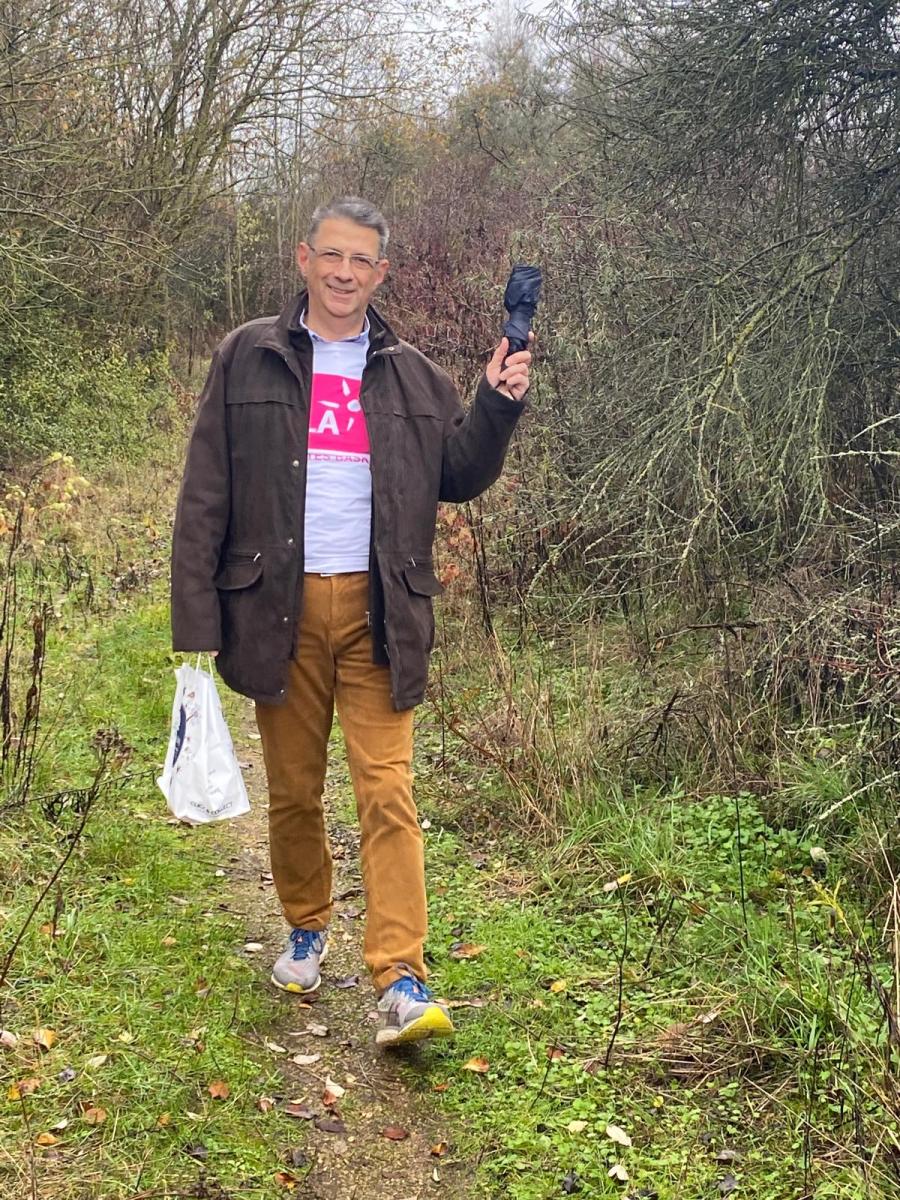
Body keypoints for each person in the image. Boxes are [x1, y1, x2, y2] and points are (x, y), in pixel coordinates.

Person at [170, 196, 532, 1046]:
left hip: (380, 609)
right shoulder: (246, 357)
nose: (343, 273)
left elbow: (458, 474)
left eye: (360, 260)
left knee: (387, 791)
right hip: (277, 608)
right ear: (304, 259)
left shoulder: (413, 375)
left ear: (381, 274)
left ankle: (400, 976)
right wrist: (196, 624)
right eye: (330, 255)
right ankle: (306, 925)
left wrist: (496, 401)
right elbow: (205, 490)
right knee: (294, 790)